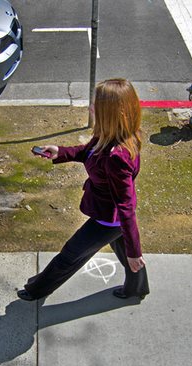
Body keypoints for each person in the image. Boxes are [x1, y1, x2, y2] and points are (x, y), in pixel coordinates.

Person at [17, 78, 149, 301]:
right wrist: (60, 151)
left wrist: (136, 251)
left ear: (111, 113)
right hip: (112, 218)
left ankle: (36, 290)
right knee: (124, 251)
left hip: (108, 219)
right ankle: (137, 288)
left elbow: (126, 208)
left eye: (96, 105)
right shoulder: (112, 136)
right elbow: (87, 151)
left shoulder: (117, 157)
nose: (90, 108)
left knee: (70, 255)